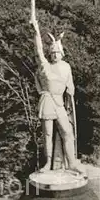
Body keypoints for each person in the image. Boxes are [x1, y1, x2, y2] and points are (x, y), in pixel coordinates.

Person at [32, 18, 83, 174]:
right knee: (47, 134)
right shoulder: (46, 66)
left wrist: (71, 90)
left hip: (60, 103)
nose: (54, 55)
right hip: (47, 101)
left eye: (57, 52)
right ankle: (47, 163)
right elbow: (39, 50)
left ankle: (71, 163)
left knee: (67, 132)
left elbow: (70, 84)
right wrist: (35, 31)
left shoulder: (66, 67)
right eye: (52, 52)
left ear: (62, 53)